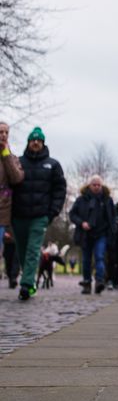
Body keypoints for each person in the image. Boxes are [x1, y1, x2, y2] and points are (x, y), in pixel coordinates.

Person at [10, 128, 67, 301]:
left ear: (43, 143)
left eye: (39, 140)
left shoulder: (53, 165)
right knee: (22, 251)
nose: (36, 143)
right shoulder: (18, 162)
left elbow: (60, 190)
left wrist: (52, 212)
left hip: (40, 216)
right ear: (28, 142)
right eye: (33, 140)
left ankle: (26, 285)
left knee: (33, 250)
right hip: (18, 215)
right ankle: (30, 280)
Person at [68, 174, 117, 295]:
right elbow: (72, 214)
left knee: (100, 256)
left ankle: (99, 281)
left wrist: (113, 231)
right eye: (94, 185)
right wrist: (82, 223)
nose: (96, 187)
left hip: (101, 234)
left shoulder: (107, 200)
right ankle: (87, 283)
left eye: (98, 185)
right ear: (89, 185)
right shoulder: (81, 200)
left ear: (102, 185)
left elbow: (112, 217)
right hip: (85, 234)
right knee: (86, 260)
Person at [0, 121, 25, 288]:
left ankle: (12, 276)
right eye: (0, 132)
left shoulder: (12, 158)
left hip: (4, 213)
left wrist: (6, 154)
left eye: (6, 132)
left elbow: (17, 178)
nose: (3, 135)